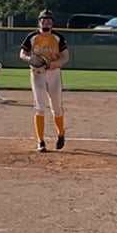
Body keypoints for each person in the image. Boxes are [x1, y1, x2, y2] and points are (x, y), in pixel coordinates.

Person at [20, 10, 70, 152]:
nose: (46, 23)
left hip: (54, 74)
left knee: (56, 108)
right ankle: (40, 141)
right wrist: (30, 59)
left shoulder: (58, 37)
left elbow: (65, 56)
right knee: (40, 108)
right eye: (43, 20)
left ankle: (61, 133)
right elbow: (22, 53)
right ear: (39, 22)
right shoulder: (32, 37)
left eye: (49, 21)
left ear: (52, 23)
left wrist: (56, 63)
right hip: (37, 74)